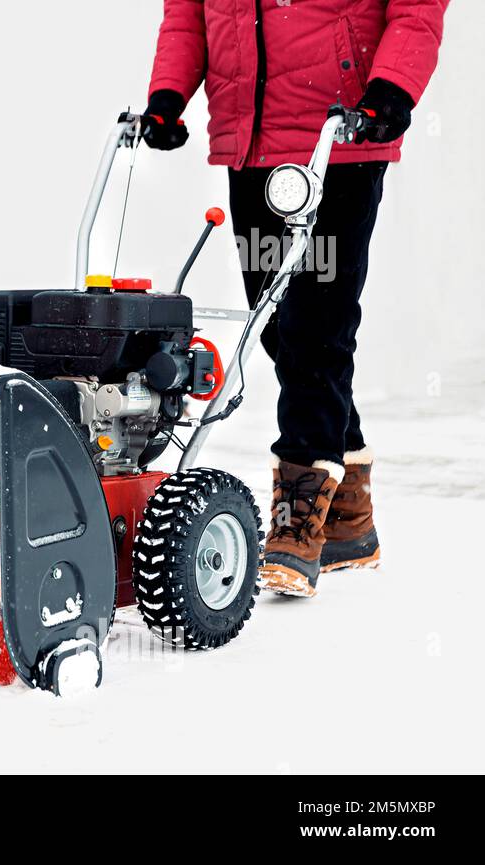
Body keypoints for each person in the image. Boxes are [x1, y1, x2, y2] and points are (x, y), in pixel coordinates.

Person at [142, 0, 448, 597]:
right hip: (250, 147)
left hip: (339, 142)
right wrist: (169, 95)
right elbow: (187, 17)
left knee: (316, 326)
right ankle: (350, 519)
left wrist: (392, 90)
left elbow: (416, 10)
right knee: (277, 324)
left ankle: (298, 516)